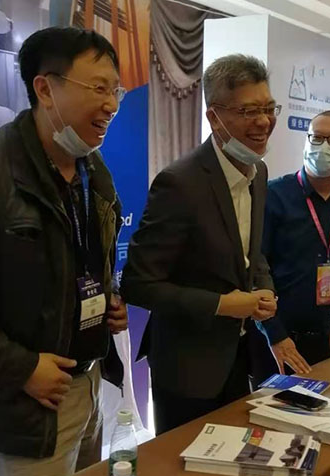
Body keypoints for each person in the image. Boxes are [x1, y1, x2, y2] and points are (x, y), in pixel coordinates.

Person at [0, 27, 127, 476]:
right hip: (25, 405)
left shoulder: (92, 168)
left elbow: (78, 263)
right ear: (44, 88)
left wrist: (106, 300)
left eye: (115, 91)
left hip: (88, 386)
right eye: (97, 87)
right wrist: (22, 369)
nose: (111, 105)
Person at [121, 54, 277, 434]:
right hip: (186, 370)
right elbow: (138, 284)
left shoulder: (258, 172)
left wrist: (264, 288)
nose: (263, 121)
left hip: (239, 359)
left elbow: (250, 253)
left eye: (268, 108)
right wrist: (222, 304)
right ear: (214, 117)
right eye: (248, 111)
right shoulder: (180, 184)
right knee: (183, 468)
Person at [251, 110, 330, 384]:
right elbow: (256, 271)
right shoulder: (273, 194)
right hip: (272, 340)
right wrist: (275, 334)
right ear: (306, 142)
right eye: (317, 138)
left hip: (323, 337)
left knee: (322, 408)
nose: (324, 147)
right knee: (270, 408)